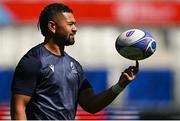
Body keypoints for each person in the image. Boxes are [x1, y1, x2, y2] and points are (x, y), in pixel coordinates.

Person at [10, 3, 139, 120]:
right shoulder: (33, 61)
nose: (75, 29)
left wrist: (120, 85)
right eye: (70, 24)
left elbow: (91, 104)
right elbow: (18, 108)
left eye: (75, 24)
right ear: (52, 27)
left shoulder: (75, 66)